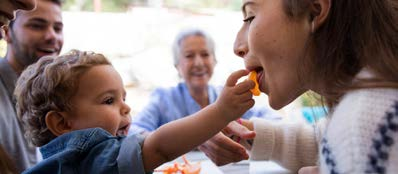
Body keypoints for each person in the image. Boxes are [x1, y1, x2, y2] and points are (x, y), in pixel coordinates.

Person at [209, 0, 398, 173]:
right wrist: (246, 135)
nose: (237, 47)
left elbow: (355, 143)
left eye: (250, 17)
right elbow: (325, 141)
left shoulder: (365, 124)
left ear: (314, 13)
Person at [15, 50, 256, 173]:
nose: (126, 107)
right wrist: (221, 111)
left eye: (123, 97)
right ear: (62, 123)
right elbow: (160, 146)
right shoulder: (90, 159)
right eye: (109, 100)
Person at [129, 28, 280, 165]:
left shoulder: (227, 97)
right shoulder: (164, 99)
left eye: (205, 54)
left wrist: (240, 130)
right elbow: (133, 132)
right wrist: (188, 138)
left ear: (214, 61)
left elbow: (274, 120)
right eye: (189, 56)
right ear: (177, 65)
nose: (199, 63)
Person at [0, 0, 63, 172]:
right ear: (5, 31)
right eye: (37, 26)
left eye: (58, 28)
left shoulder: (56, 92)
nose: (52, 36)